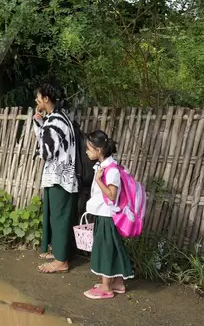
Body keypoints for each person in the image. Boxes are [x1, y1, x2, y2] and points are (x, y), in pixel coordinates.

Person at [33, 82, 78, 273]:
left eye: (38, 97)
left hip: (60, 177)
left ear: (46, 99)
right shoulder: (59, 118)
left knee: (59, 218)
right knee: (58, 216)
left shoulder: (54, 122)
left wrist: (39, 125)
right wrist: (39, 121)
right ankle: (59, 253)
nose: (36, 101)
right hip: (61, 177)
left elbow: (46, 152)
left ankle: (61, 262)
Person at [83, 130, 134, 299]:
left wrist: (98, 180)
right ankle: (118, 282)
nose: (86, 152)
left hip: (108, 215)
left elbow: (112, 195)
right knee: (112, 248)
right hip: (103, 214)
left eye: (89, 149)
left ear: (99, 150)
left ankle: (106, 287)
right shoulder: (105, 166)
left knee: (105, 250)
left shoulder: (111, 171)